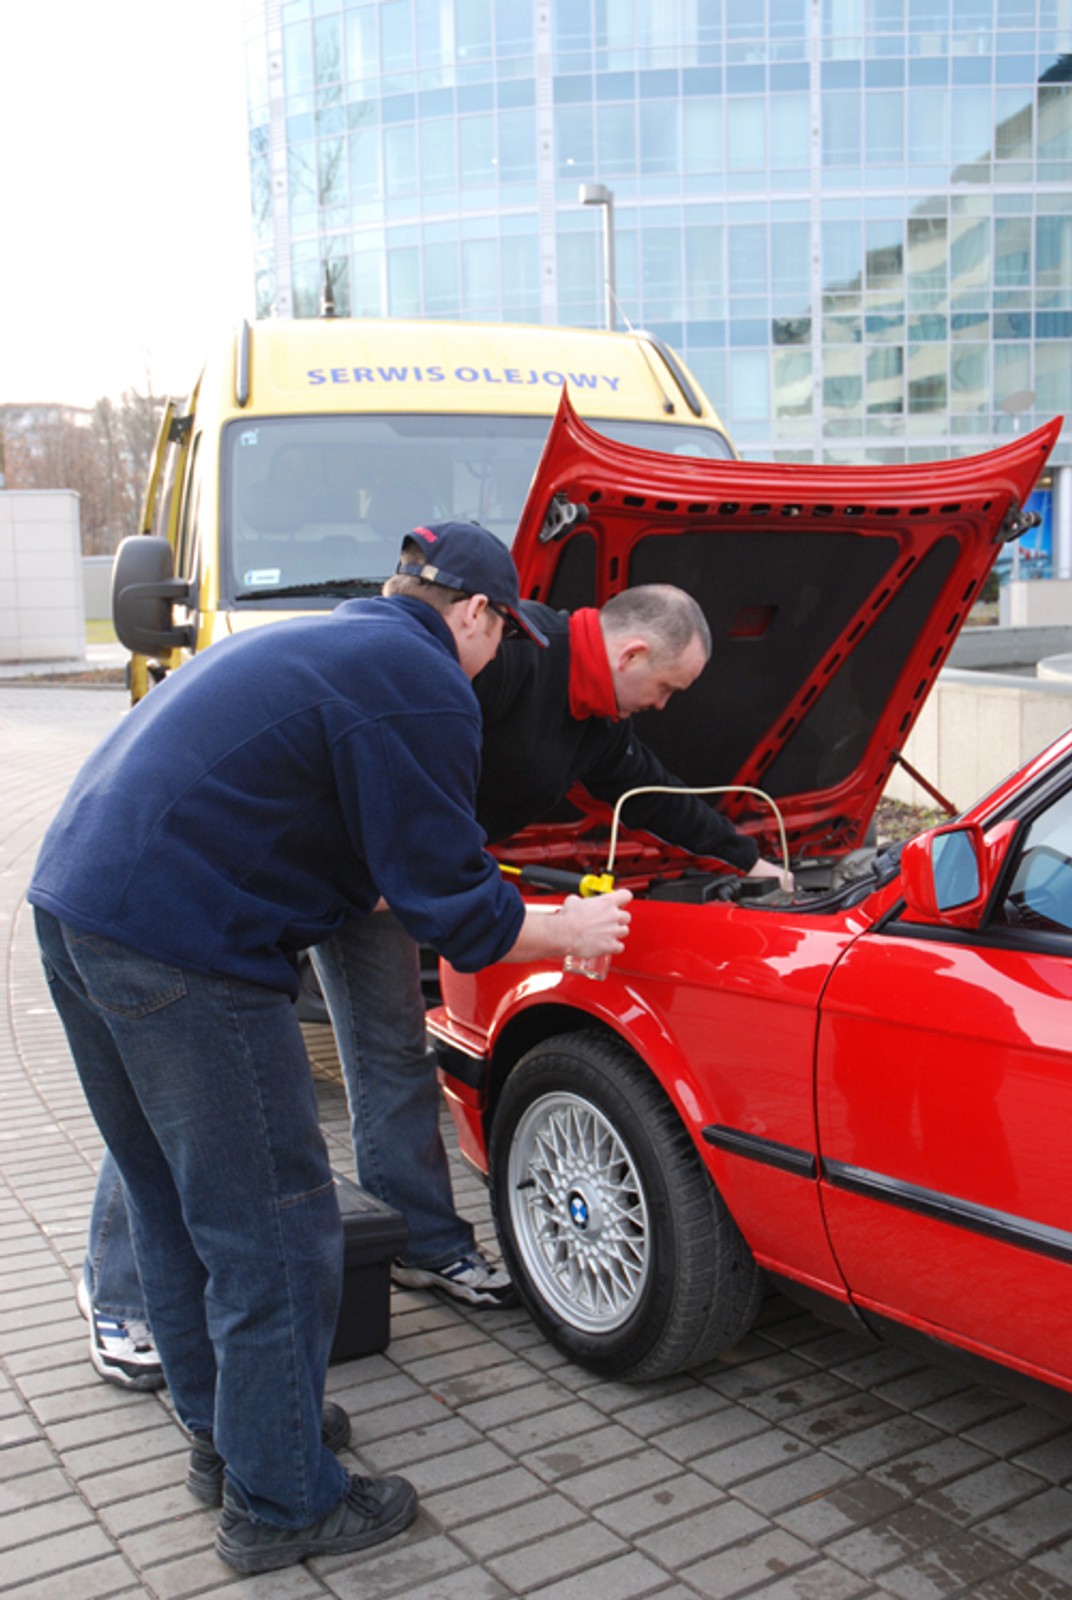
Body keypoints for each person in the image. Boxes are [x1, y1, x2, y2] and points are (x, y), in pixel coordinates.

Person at [30, 521, 632, 1575]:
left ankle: (238, 1441)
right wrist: (566, 929)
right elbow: (448, 903)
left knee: (173, 1199)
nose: (498, 670)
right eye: (502, 640)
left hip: (76, 903)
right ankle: (281, 1503)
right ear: (478, 615)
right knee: (274, 1226)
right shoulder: (422, 678)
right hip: (182, 944)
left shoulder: (334, 642)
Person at [77, 576, 786, 1390]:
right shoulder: (510, 656)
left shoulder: (598, 718)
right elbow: (382, 732)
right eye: (665, 688)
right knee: (184, 1076)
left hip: (403, 877)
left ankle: (420, 1243)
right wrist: (412, 871)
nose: (663, 705)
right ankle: (119, 1294)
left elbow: (649, 789)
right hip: (342, 861)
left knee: (393, 1054)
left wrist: (749, 861)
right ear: (630, 654)